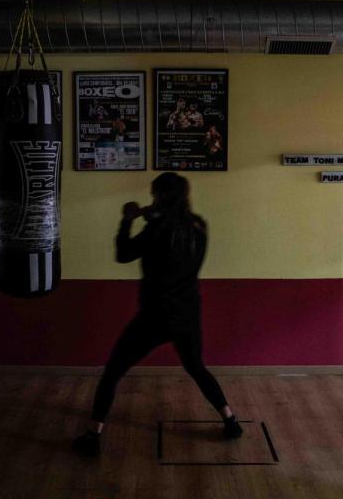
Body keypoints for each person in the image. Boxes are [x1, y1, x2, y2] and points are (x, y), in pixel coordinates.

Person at [72, 172, 241, 458]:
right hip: (187, 314)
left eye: (155, 194)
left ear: (162, 195)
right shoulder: (199, 225)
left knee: (113, 372)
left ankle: (93, 435)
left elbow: (123, 253)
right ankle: (230, 421)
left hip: (155, 316)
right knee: (197, 368)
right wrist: (153, 215)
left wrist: (127, 219)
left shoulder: (157, 230)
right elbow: (172, 242)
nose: (151, 199)